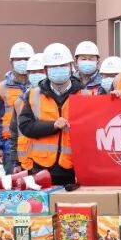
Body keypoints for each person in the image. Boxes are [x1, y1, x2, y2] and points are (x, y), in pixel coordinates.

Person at [17, 44, 85, 187]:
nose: (58, 69)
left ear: (71, 66)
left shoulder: (85, 94)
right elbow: (25, 126)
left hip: (73, 169)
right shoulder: (34, 94)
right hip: (41, 169)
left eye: (62, 65)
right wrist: (53, 126)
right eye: (53, 66)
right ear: (46, 70)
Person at [0, 42, 34, 174]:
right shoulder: (3, 87)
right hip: (10, 146)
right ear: (11, 62)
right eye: (18, 59)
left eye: (26, 59)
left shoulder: (39, 84)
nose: (23, 62)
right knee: (14, 183)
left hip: (35, 142)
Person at [9, 53, 46, 175]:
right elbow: (15, 132)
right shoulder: (20, 101)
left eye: (40, 71)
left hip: (49, 163)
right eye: (33, 72)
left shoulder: (55, 98)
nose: (36, 75)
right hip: (26, 164)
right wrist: (16, 162)